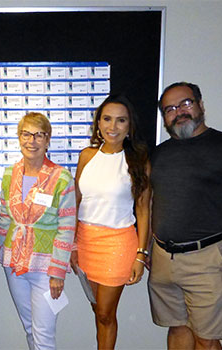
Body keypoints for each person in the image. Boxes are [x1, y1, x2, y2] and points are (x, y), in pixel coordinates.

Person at [149, 82, 222, 350]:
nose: (179, 112)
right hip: (163, 258)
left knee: (206, 339)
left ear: (200, 104)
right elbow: (150, 203)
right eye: (170, 109)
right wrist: (149, 247)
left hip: (208, 260)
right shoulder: (158, 154)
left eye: (185, 103)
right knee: (177, 328)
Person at [70, 94, 151, 349]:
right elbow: (76, 201)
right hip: (84, 241)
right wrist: (71, 244)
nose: (112, 127)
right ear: (98, 122)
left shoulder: (138, 160)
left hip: (118, 243)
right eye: (107, 119)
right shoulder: (86, 156)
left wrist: (141, 254)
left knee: (106, 313)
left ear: (129, 126)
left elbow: (143, 209)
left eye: (120, 121)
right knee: (97, 310)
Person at [0, 112, 76, 350]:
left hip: (45, 268)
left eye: (39, 135)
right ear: (19, 138)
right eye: (26, 134)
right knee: (30, 328)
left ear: (48, 140)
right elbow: (5, 217)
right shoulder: (10, 174)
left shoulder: (61, 177)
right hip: (14, 264)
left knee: (43, 335)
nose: (32, 140)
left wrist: (58, 272)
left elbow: (67, 227)